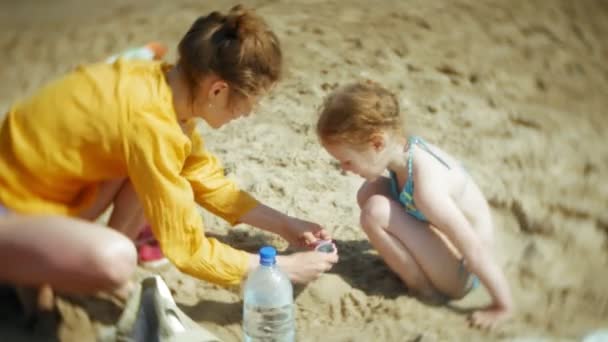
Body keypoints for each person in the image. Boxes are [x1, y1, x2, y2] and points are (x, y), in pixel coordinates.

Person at [0, 5, 338, 314]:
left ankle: (66, 276)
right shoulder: (152, 124)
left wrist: (284, 224)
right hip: (9, 213)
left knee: (142, 175)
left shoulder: (162, 85)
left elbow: (204, 177)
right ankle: (48, 275)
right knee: (115, 260)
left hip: (40, 195)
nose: (250, 113)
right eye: (251, 100)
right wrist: (281, 269)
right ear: (217, 90)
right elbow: (187, 250)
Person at [315, 81, 513, 329]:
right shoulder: (406, 151)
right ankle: (418, 270)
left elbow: (473, 248)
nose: (343, 169)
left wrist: (502, 305)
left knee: (375, 212)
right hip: (450, 249)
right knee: (370, 192)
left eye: (348, 161)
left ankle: (423, 289)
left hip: (463, 273)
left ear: (377, 143)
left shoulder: (427, 188)